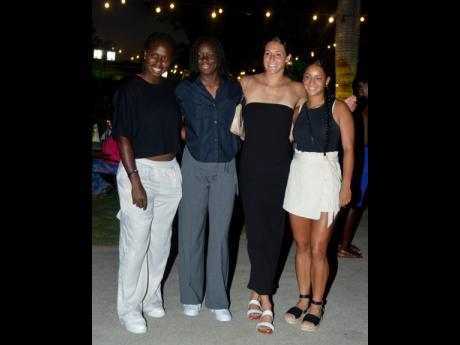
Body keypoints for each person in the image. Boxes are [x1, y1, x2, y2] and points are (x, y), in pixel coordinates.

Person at [111, 32, 182, 334]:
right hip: (139, 171)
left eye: (165, 57)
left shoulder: (171, 90)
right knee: (136, 243)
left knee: (160, 244)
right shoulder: (130, 90)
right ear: (145, 53)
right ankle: (129, 308)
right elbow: (123, 135)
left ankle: (151, 295)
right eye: (155, 54)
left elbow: (177, 130)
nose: (159, 61)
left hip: (170, 172)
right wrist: (135, 180)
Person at [238, 37, 307, 334]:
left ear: (287, 57)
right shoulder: (246, 83)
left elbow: (316, 114)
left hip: (281, 169)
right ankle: (265, 297)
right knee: (255, 232)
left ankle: (259, 294)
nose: (272, 58)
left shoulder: (297, 89)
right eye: (267, 53)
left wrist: (348, 105)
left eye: (278, 54)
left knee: (275, 233)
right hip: (250, 167)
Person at [282, 60, 355, 331]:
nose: (312, 81)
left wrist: (346, 185)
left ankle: (316, 303)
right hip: (299, 175)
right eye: (308, 76)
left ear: (326, 81)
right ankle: (302, 299)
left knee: (318, 248)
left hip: (325, 176)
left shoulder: (339, 108)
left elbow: (349, 149)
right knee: (300, 246)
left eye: (318, 77)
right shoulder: (298, 107)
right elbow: (290, 137)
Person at [175, 36, 242, 322]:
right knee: (190, 230)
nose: (204, 58)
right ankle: (190, 296)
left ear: (219, 57)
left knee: (220, 235)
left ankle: (217, 300)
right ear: (195, 59)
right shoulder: (184, 90)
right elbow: (171, 122)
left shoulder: (234, 88)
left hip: (226, 165)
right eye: (200, 55)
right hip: (194, 164)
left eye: (210, 54)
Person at [337, 76, 368, 258]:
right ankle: (343, 245)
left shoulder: (354, 107)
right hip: (363, 156)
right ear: (361, 88)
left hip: (361, 155)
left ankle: (343, 242)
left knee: (354, 202)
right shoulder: (362, 107)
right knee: (356, 203)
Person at [92, 120, 120, 197]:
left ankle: (102, 187)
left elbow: (111, 153)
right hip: (109, 162)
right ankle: (103, 187)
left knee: (93, 165)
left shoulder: (119, 137)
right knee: (94, 163)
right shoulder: (113, 135)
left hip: (115, 164)